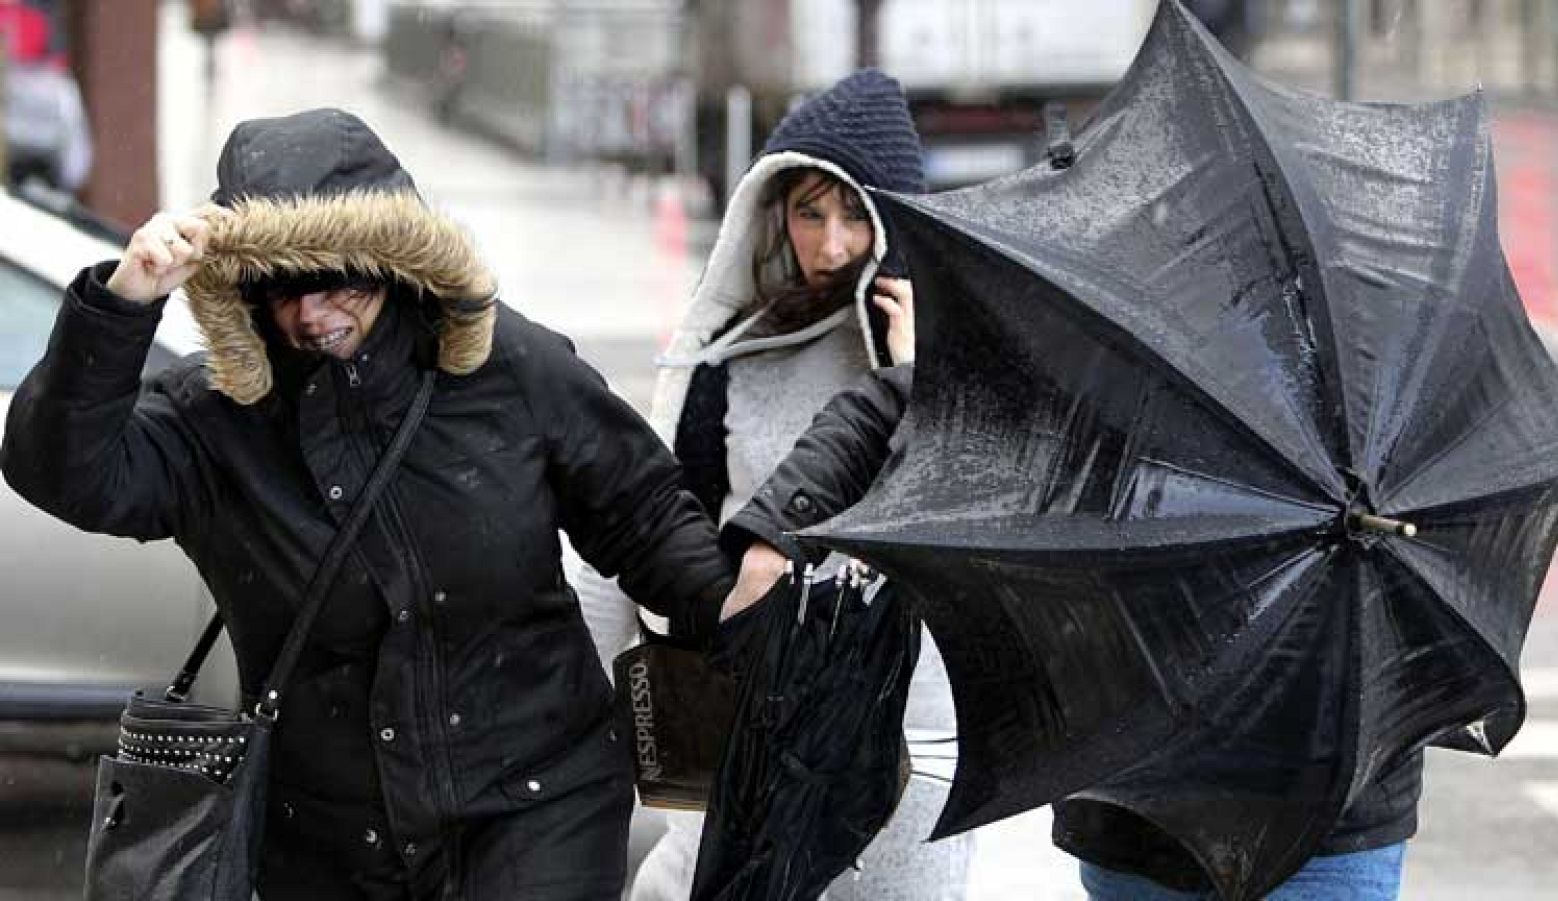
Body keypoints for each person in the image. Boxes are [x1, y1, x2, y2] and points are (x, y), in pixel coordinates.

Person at [0, 108, 735, 899]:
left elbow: (645, 517)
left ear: (392, 257)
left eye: (337, 278)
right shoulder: (210, 420)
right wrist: (122, 303)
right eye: (279, 288)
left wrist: (749, 630)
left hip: (537, 811)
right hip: (327, 847)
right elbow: (62, 472)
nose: (313, 315)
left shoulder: (507, 368)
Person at [715, 371, 1424, 901]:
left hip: (1330, 817)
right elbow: (904, 399)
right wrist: (776, 536)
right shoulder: (1139, 324)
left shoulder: (1383, 355)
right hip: (1142, 801)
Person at [571, 69, 973, 899]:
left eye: (856, 213)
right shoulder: (732, 358)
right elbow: (651, 525)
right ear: (771, 212)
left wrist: (915, 381)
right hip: (746, 716)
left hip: (909, 741)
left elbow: (970, 530)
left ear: (896, 214)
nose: (829, 245)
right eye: (808, 212)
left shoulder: (955, 354)